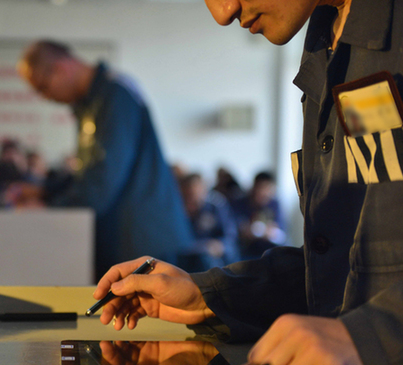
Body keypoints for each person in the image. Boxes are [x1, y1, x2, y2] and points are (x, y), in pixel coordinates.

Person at [94, 0, 403, 364]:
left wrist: (371, 336)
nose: (224, 12)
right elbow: (337, 262)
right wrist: (208, 296)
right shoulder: (325, 39)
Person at [18, 40, 195, 279]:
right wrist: (46, 192)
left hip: (144, 245)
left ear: (61, 68)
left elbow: (103, 181)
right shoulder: (90, 102)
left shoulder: (115, 95)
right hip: (124, 240)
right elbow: (89, 174)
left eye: (42, 87)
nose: (44, 97)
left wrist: (50, 209)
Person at [179, 173, 239, 270]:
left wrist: (220, 245)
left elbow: (230, 237)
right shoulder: (177, 209)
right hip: (186, 255)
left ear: (204, 191)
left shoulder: (216, 205)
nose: (191, 200)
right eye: (187, 196)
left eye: (194, 195)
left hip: (214, 257)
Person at [232, 171, 286, 259]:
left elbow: (281, 230)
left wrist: (270, 231)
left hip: (269, 248)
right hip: (246, 249)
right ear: (254, 187)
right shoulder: (240, 203)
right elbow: (235, 228)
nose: (263, 192)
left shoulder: (275, 204)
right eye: (261, 188)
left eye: (267, 188)